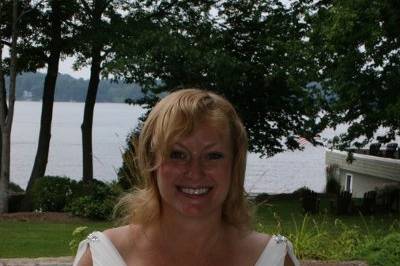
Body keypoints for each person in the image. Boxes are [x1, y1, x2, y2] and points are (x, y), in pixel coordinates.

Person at [73, 88, 300, 266]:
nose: (195, 171)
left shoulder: (273, 260)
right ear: (152, 163)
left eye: (213, 156)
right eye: (177, 154)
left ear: (234, 165)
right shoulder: (104, 259)